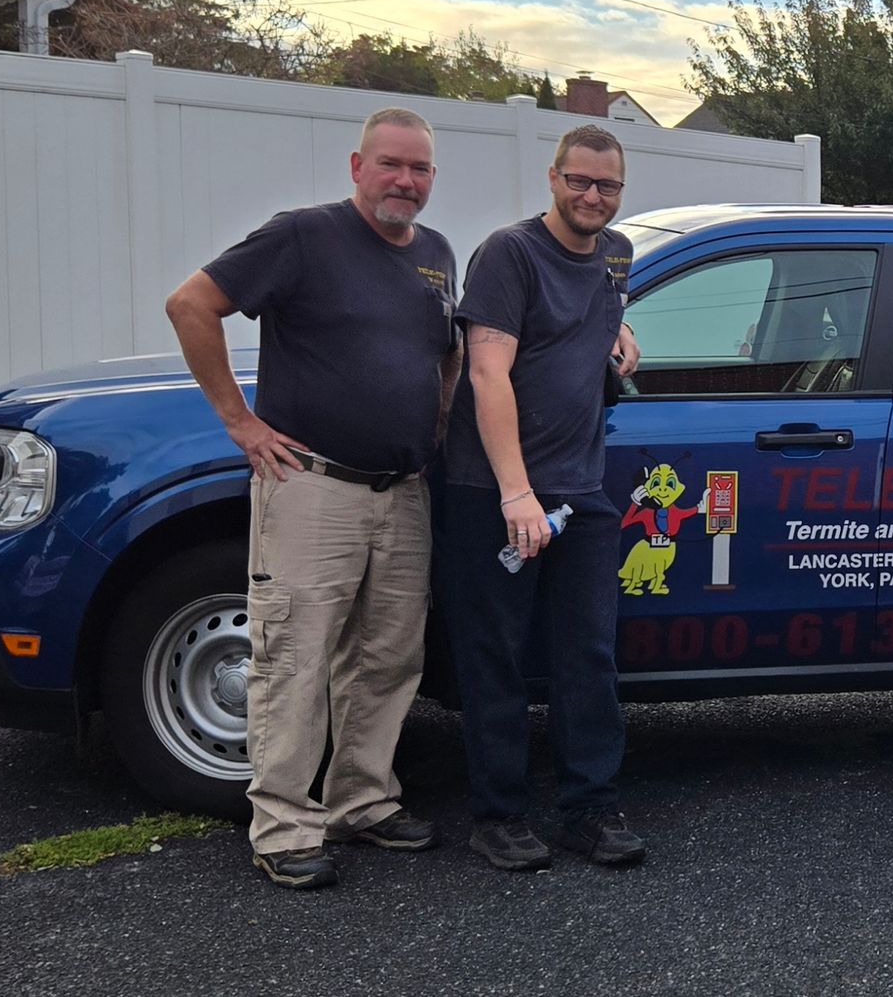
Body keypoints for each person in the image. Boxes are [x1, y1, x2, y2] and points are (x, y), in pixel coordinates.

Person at [164, 108, 458, 889]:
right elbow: (191, 304)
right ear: (357, 166)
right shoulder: (302, 236)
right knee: (294, 656)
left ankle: (363, 800)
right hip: (312, 486)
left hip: (402, 492)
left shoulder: (435, 254)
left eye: (420, 169)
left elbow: (446, 356)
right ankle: (285, 825)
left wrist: (433, 428)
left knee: (387, 656)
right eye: (391, 164)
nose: (406, 181)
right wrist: (240, 421)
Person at [438, 124, 646, 871]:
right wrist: (516, 492)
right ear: (553, 177)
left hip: (580, 488)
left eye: (608, 186)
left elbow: (591, 315)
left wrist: (622, 333)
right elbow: (486, 374)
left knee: (588, 652)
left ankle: (590, 809)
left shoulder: (616, 253)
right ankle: (499, 816)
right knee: (495, 656)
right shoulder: (510, 252)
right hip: (495, 492)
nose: (593, 196)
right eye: (580, 181)